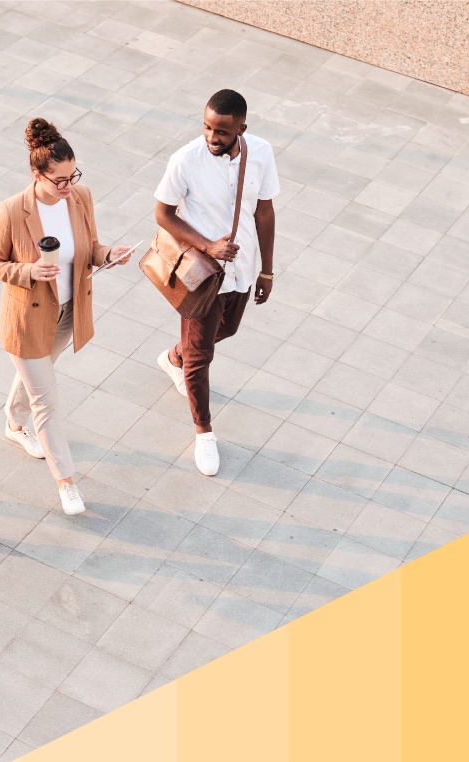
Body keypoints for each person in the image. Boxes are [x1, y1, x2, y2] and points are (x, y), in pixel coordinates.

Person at [0, 118, 133, 515]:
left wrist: (107, 255)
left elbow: (91, 247)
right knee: (46, 401)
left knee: (39, 376)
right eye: (60, 181)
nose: (68, 187)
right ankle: (66, 482)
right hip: (28, 318)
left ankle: (12, 425)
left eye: (73, 176)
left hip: (68, 313)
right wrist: (28, 271)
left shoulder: (80, 197)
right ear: (38, 175)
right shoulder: (12, 211)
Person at [154, 89, 279, 476]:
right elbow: (163, 213)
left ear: (241, 128)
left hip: (242, 270)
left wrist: (267, 270)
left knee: (227, 329)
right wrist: (208, 244)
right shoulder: (186, 160)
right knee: (201, 358)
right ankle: (204, 432)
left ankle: (175, 356)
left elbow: (265, 211)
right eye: (207, 127)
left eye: (222, 132)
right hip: (201, 276)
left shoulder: (260, 152)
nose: (212, 137)